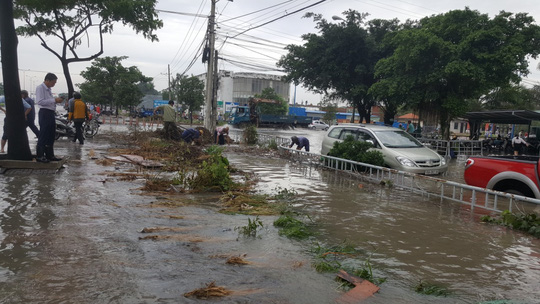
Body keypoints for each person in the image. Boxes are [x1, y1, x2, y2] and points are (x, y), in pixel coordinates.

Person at [36, 72, 65, 162]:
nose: (54, 84)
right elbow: (40, 102)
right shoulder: (40, 88)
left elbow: (49, 101)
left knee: (51, 134)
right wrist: (54, 100)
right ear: (47, 80)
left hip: (50, 113)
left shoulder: (48, 89)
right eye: (53, 82)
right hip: (45, 113)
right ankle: (40, 156)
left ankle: (50, 155)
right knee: (44, 134)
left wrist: (56, 101)